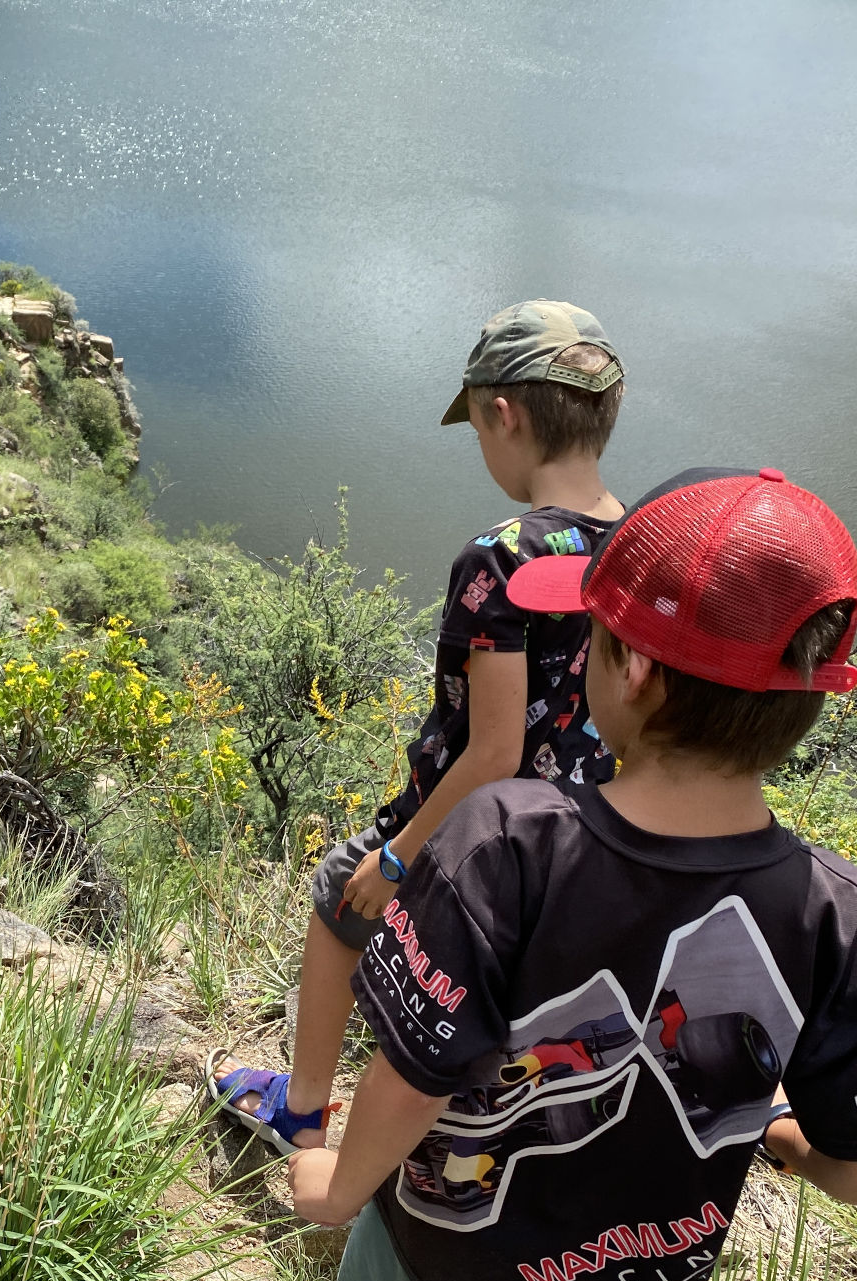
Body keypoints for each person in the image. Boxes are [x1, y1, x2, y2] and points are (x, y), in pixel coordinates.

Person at [282, 468, 857, 1281]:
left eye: (586, 640)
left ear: (631, 669)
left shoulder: (507, 839)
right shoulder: (840, 915)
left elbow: (412, 1079)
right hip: (625, 1270)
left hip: (450, 1216)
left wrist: (330, 1180)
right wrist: (786, 1144)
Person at [212, 300, 629, 1154]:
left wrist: (398, 855)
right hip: (586, 831)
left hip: (484, 831)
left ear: (502, 414)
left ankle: (303, 1111)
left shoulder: (504, 556)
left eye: (477, 425)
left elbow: (494, 752)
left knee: (339, 893)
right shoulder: (637, 544)